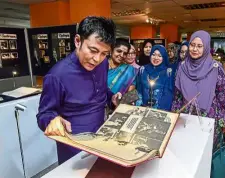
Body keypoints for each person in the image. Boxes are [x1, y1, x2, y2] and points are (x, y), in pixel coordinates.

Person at [36, 16, 121, 164]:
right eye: (93, 50)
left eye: (104, 53)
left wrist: (112, 98)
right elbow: (44, 114)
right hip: (73, 148)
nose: (97, 59)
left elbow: (101, 91)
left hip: (102, 137)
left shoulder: (102, 64)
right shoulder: (57, 76)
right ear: (77, 41)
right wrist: (52, 120)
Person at [172, 30, 225, 151]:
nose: (194, 49)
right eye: (192, 45)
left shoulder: (215, 68)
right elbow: (177, 96)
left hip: (209, 120)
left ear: (206, 47)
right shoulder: (182, 67)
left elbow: (223, 95)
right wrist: (174, 114)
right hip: (186, 118)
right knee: (186, 152)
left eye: (199, 46)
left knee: (204, 155)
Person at [136, 45, 175, 111]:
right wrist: (140, 107)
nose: (156, 58)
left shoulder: (168, 72)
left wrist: (159, 110)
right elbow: (139, 90)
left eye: (160, 56)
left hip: (160, 110)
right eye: (153, 55)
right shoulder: (142, 69)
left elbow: (168, 94)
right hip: (143, 108)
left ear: (164, 57)